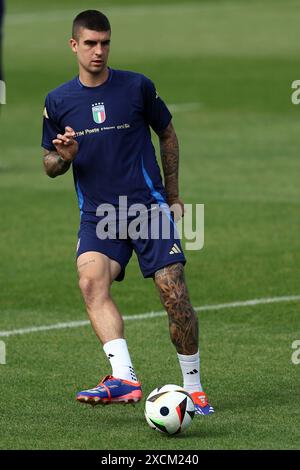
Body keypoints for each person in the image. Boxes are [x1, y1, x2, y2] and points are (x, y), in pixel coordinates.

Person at [42, 10, 213, 415]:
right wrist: (63, 157)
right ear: (74, 45)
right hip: (99, 215)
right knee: (90, 282)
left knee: (174, 294)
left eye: (104, 43)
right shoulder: (58, 101)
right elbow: (49, 164)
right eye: (90, 43)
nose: (98, 51)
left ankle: (195, 388)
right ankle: (124, 378)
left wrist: (173, 196)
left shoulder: (137, 87)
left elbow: (167, 132)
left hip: (147, 207)